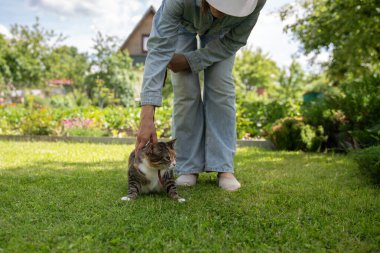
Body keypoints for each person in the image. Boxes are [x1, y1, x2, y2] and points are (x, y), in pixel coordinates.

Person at [135, 0, 266, 191]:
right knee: (185, 89)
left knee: (221, 86)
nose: (221, 12)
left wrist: (191, 60)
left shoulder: (256, 2)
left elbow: (234, 41)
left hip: (225, 34)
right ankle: (188, 166)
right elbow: (159, 50)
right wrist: (147, 116)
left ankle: (224, 168)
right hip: (181, 25)